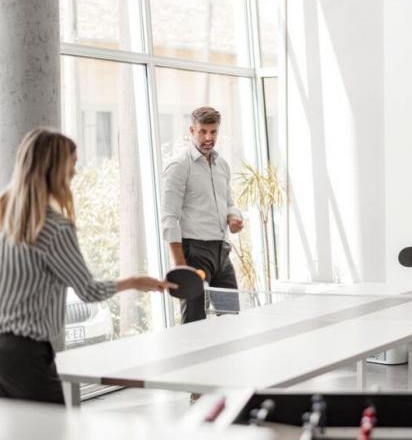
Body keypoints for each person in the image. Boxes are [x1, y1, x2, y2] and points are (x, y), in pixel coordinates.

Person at [0, 128, 173, 405]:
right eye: (72, 165)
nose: (74, 174)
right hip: (27, 353)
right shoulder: (54, 228)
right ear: (53, 168)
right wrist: (133, 281)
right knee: (51, 431)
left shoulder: (7, 220)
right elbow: (88, 291)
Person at [161, 106, 244, 324]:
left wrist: (233, 217)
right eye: (203, 131)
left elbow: (229, 202)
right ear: (192, 130)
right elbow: (169, 217)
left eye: (213, 132)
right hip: (194, 252)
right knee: (194, 322)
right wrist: (180, 265)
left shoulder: (222, 165)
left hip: (221, 253)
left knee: (231, 316)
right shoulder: (179, 166)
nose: (208, 137)